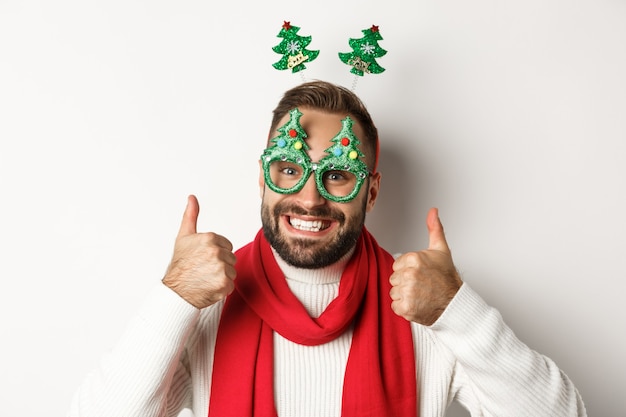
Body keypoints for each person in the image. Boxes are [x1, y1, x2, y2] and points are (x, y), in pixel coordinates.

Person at [68, 81, 586, 417]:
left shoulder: (426, 307)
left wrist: (460, 313)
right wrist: (174, 299)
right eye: (289, 169)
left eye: (338, 175)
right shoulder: (206, 303)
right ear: (263, 178)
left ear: (372, 190)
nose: (310, 198)